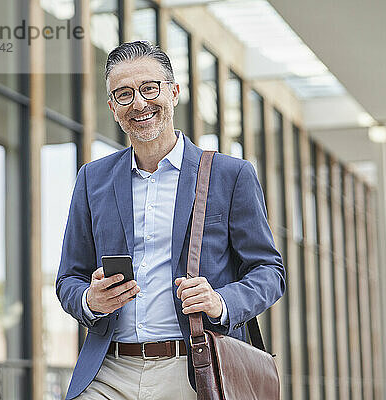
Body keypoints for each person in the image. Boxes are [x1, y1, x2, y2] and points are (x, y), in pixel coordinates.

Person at [55, 40, 285, 400]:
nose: (139, 103)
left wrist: (221, 301)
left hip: (193, 370)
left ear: (174, 92)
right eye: (124, 94)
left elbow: (269, 271)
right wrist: (89, 300)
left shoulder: (231, 175)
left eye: (149, 88)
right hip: (109, 372)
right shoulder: (92, 179)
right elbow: (69, 276)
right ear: (113, 108)